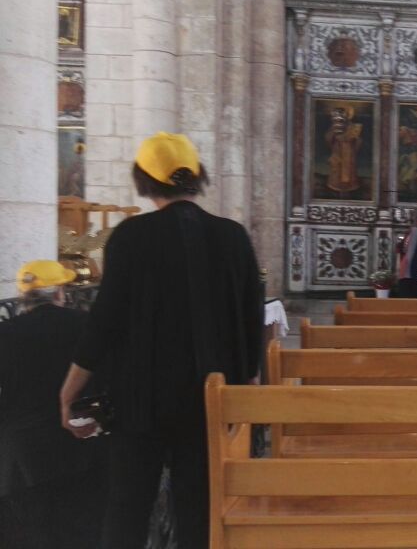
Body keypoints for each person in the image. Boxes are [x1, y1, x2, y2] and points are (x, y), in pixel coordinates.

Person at [59, 132, 264, 549]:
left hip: (141, 400)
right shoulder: (233, 236)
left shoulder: (131, 236)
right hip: (210, 397)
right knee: (200, 510)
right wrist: (247, 390)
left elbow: (105, 321)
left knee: (128, 507)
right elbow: (251, 321)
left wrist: (70, 390)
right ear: (197, 176)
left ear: (145, 179)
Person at [0, 261, 106, 549]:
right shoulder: (86, 324)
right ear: (60, 292)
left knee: (27, 533)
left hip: (22, 455)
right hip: (81, 444)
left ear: (22, 297)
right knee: (83, 531)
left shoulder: (5, 333)